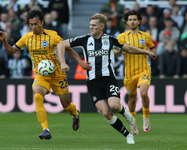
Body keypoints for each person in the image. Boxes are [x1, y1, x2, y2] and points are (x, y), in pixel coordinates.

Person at [57, 13, 156, 144]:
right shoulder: (85, 39)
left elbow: (129, 49)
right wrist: (64, 62)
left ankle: (125, 112)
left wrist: (147, 52)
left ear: (102, 26)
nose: (91, 28)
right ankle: (127, 135)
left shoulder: (110, 40)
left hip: (108, 79)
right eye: (90, 25)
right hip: (92, 82)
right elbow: (61, 45)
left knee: (114, 105)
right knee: (106, 112)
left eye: (94, 25)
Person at [0, 9, 84, 140]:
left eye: (36, 24)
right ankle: (45, 129)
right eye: (31, 24)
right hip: (41, 74)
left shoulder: (53, 36)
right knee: (37, 96)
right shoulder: (27, 38)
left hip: (58, 74)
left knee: (66, 105)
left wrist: (81, 64)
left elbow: (69, 50)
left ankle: (75, 114)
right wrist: (4, 41)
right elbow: (11, 51)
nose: (34, 27)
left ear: (42, 22)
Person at [116, 10, 156, 135]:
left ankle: (146, 116)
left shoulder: (146, 36)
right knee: (132, 100)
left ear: (139, 21)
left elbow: (152, 47)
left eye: (134, 19)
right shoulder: (122, 37)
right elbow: (114, 51)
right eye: (130, 20)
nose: (132, 22)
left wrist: (151, 52)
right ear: (127, 22)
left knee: (143, 93)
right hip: (129, 74)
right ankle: (133, 122)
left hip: (144, 70)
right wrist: (122, 48)